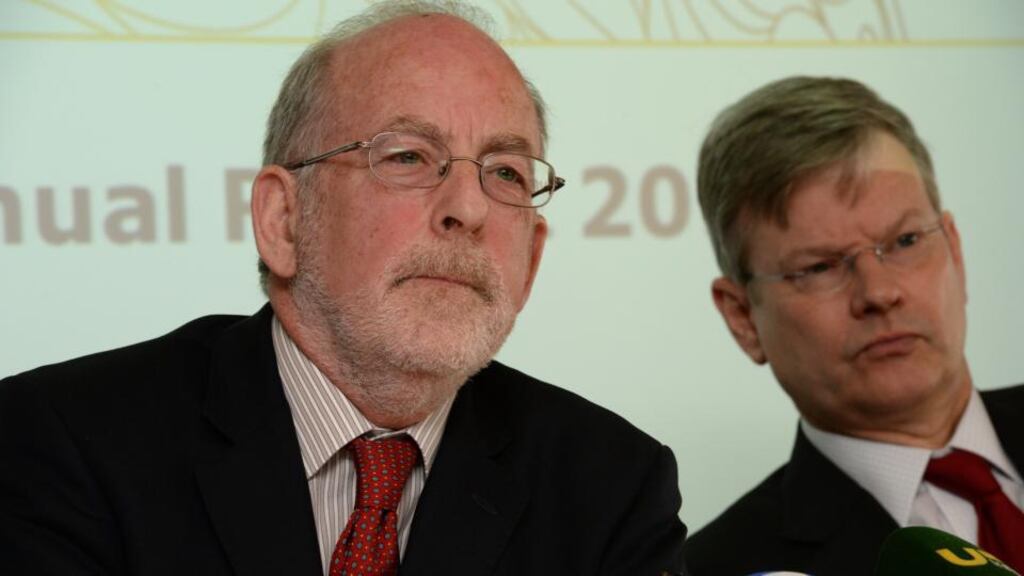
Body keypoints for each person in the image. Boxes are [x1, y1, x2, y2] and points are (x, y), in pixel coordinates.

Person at [0, 2, 686, 575]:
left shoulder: (611, 487)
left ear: (531, 259)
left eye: (506, 173)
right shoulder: (65, 444)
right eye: (409, 156)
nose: (469, 209)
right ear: (283, 220)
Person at [683, 76, 1024, 575]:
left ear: (954, 248)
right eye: (820, 266)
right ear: (742, 317)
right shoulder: (721, 567)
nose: (879, 292)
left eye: (906, 241)